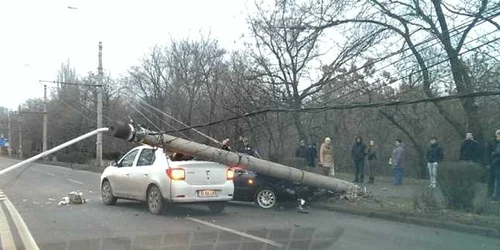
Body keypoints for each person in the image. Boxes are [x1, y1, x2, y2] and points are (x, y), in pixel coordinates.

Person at [486, 129, 500, 201]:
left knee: (497, 180)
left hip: (496, 163)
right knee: (492, 180)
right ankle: (491, 194)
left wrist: (494, 153)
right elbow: (488, 154)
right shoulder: (491, 142)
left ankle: (495, 195)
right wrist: (488, 163)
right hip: (494, 164)